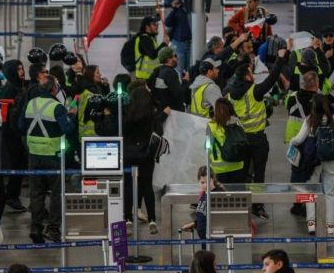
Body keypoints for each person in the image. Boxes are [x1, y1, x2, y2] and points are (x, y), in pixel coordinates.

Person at [95, 84, 168, 235]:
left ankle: (127, 218)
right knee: (147, 186)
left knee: (127, 186)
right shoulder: (151, 116)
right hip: (146, 155)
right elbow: (159, 132)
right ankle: (152, 220)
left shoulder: (126, 114)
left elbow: (117, 130)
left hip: (127, 154)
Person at [226, 48, 289, 219]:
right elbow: (273, 77)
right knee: (258, 174)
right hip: (258, 139)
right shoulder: (255, 91)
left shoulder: (231, 94)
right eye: (250, 72)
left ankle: (239, 204)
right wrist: (280, 58)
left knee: (243, 172)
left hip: (240, 139)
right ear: (247, 76)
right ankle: (257, 205)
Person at [19, 75, 77, 243]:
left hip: (34, 155)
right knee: (56, 194)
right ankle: (53, 229)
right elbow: (67, 128)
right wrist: (71, 115)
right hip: (53, 157)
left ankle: (36, 227)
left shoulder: (30, 104)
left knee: (36, 193)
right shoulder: (57, 107)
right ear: (54, 89)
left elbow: (21, 126)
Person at [289, 94, 334, 235]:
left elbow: (298, 139)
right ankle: (330, 226)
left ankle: (311, 224)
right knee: (330, 193)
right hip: (331, 157)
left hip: (313, 159)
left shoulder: (310, 119)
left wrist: (291, 142)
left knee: (310, 191)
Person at [0, 59, 29, 215]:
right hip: (11, 133)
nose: (22, 71)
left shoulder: (19, 86)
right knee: (18, 163)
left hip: (15, 132)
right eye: (18, 69)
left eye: (22, 68)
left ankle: (12, 195)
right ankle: (11, 196)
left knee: (19, 163)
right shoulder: (11, 88)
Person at [205, 99, 245, 183]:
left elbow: (207, 147)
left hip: (219, 169)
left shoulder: (211, 126)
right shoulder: (237, 122)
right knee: (237, 194)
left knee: (221, 195)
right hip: (237, 165)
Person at [181, 166, 226, 239]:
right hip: (204, 238)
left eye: (208, 182)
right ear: (198, 181)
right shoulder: (204, 194)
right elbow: (204, 215)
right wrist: (194, 224)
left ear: (213, 179)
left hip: (214, 240)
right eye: (202, 182)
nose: (205, 185)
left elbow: (218, 218)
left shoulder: (218, 195)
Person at [150, 46, 189, 112]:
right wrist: (185, 81)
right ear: (169, 60)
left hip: (162, 109)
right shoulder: (169, 73)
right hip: (172, 111)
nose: (177, 58)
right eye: (175, 56)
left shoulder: (158, 70)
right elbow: (179, 94)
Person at [134, 15, 169, 80]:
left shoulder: (150, 38)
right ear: (147, 27)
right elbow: (152, 55)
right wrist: (164, 43)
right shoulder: (145, 38)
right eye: (153, 24)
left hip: (149, 76)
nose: (156, 26)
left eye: (156, 24)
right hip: (145, 77)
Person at [165, 0, 192, 73]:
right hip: (179, 43)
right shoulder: (177, 11)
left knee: (190, 70)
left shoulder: (192, 10)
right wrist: (174, 8)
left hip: (189, 43)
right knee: (178, 70)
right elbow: (167, 22)